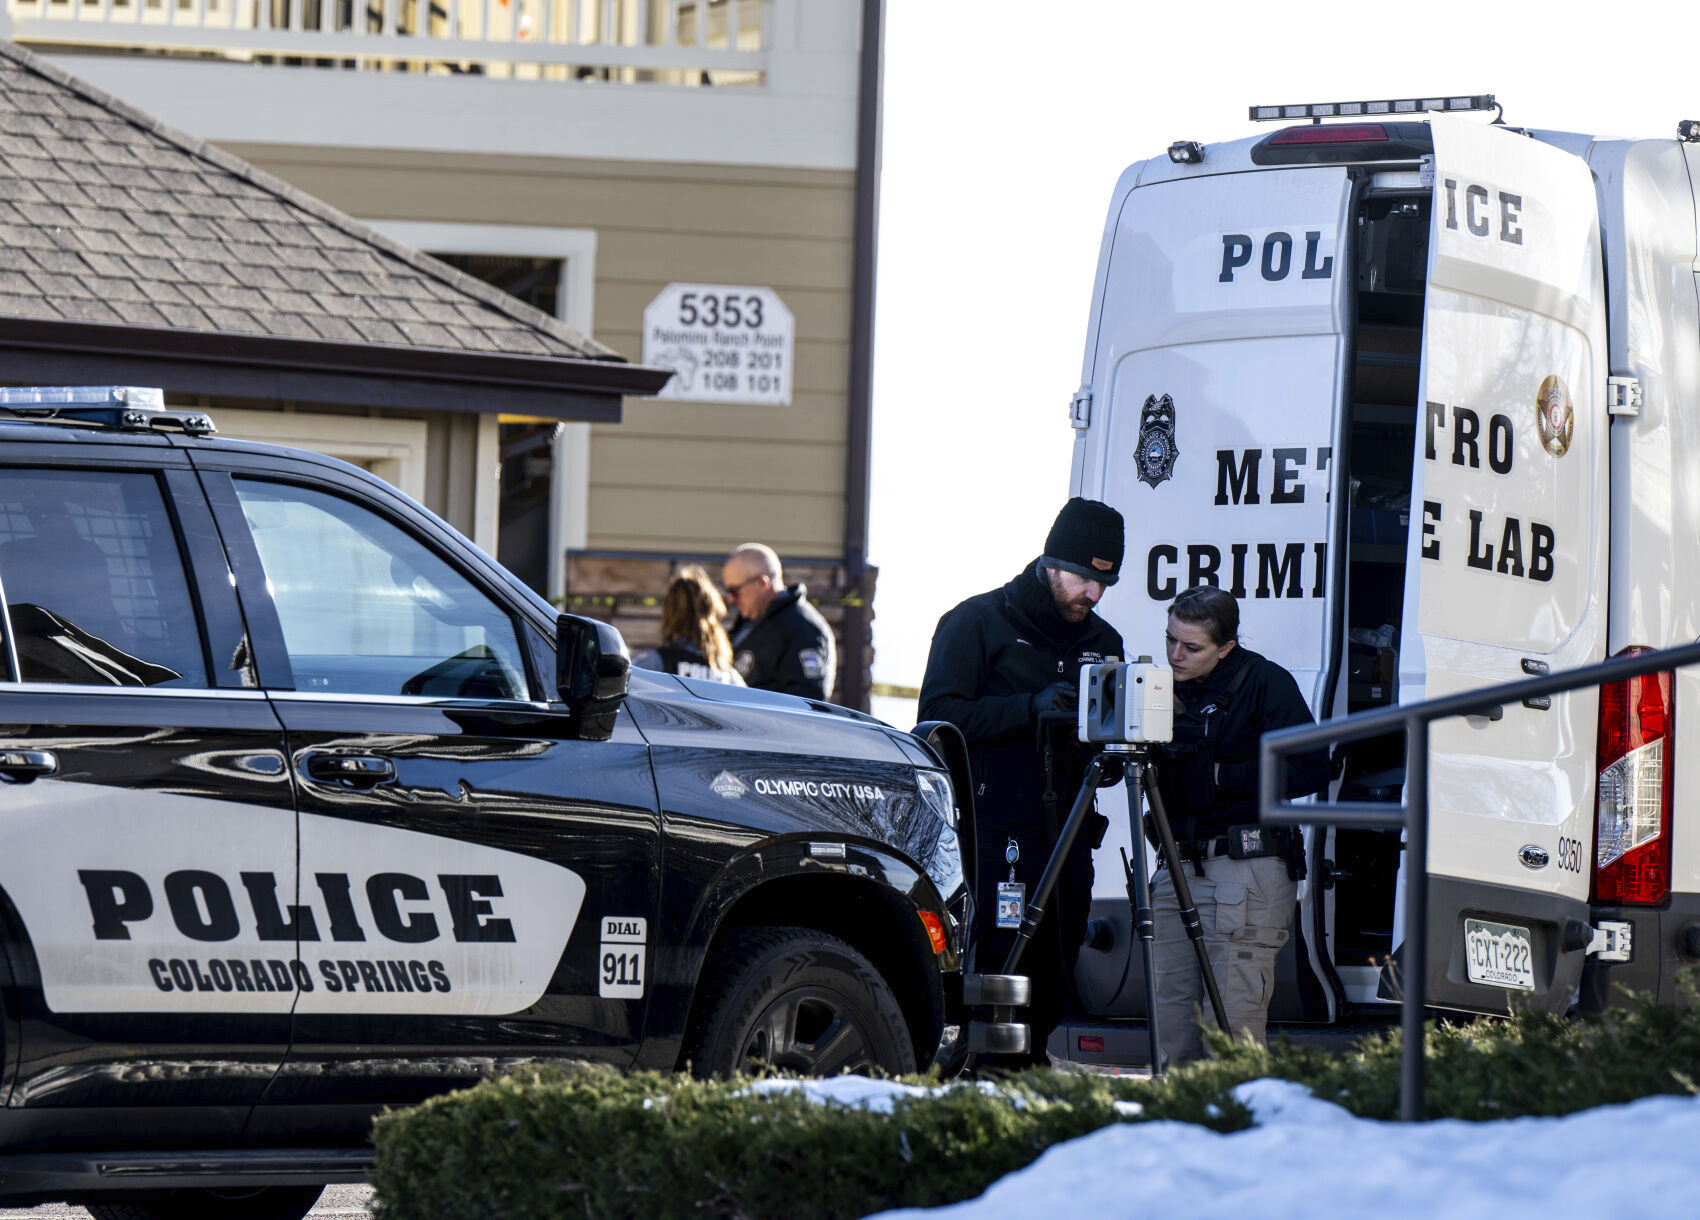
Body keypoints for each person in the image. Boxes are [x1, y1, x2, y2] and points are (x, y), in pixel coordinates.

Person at [918, 497, 1126, 1066]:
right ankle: (982, 1067)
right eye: (1084, 578)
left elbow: (1104, 739)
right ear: (1052, 561)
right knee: (998, 955)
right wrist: (1027, 709)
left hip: (1069, 831)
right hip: (994, 831)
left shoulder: (1102, 643)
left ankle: (1032, 1062)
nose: (1093, 594)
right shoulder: (978, 621)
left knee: (1059, 960)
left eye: (1105, 583)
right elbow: (937, 718)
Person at [1150, 584, 1329, 1067]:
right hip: (1178, 864)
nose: (1175, 655)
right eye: (1170, 640)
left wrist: (1221, 775)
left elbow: (1312, 765)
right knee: (1172, 1029)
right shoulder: (1161, 688)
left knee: (1231, 1028)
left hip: (1244, 867)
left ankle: (1235, 1132)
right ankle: (1180, 1133)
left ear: (1226, 646)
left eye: (1191, 647)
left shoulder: (1264, 682)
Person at [721, 542, 836, 700]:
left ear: (762, 583)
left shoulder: (803, 628)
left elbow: (806, 702)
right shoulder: (750, 620)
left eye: (735, 591)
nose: (730, 599)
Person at [631, 565, 745, 685]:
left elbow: (619, 691)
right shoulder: (727, 674)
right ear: (712, 617)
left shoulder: (654, 662)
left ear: (669, 615)